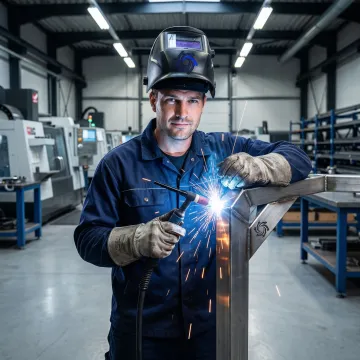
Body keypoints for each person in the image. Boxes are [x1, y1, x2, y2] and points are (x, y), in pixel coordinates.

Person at [74, 26, 312, 360]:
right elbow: (87, 239)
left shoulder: (224, 147)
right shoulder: (118, 164)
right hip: (142, 329)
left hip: (209, 325)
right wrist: (135, 240)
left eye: (193, 101)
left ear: (203, 104)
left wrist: (261, 167)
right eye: (172, 99)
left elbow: (299, 158)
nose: (182, 113)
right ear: (153, 99)